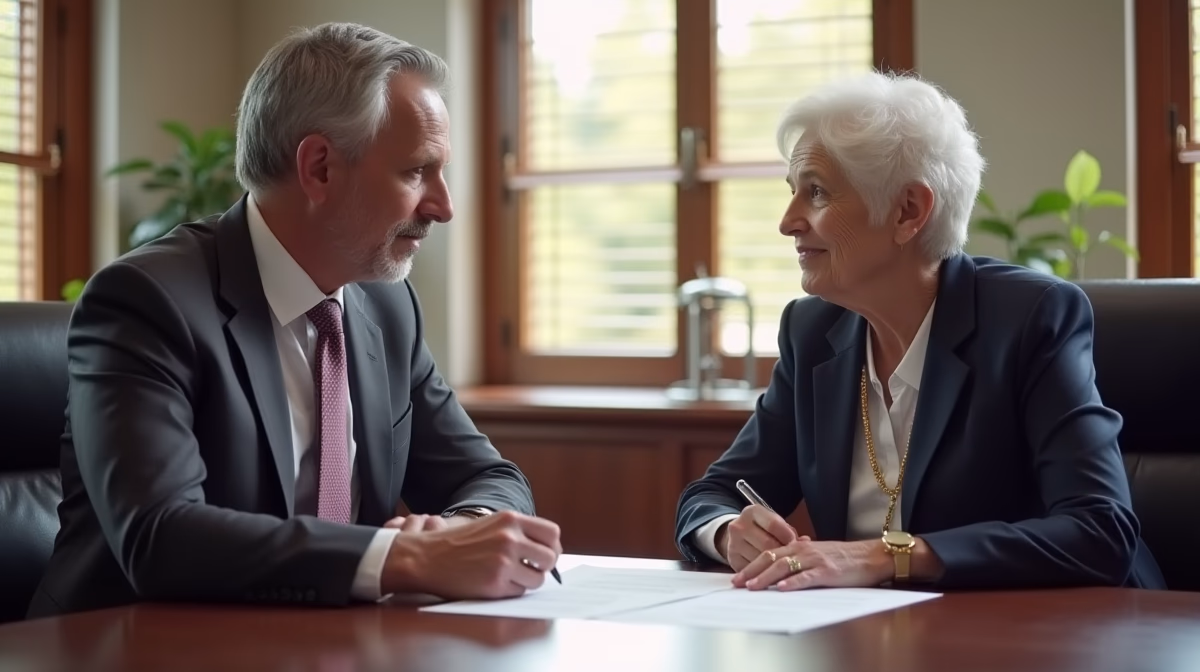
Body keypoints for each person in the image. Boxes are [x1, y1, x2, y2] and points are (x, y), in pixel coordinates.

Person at [29, 23, 561, 618]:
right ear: (320, 168)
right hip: (128, 645)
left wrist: (467, 530)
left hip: (324, 645)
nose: (443, 205)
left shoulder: (386, 305)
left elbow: (487, 474)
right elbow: (160, 536)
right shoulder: (148, 300)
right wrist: (404, 558)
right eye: (416, 171)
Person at [674, 72, 1165, 592]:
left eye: (816, 192)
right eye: (793, 192)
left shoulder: (1030, 318)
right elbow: (713, 494)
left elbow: (1099, 531)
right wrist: (728, 532)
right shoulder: (812, 331)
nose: (788, 221)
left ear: (908, 211)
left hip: (1061, 634)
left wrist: (893, 556)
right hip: (880, 636)